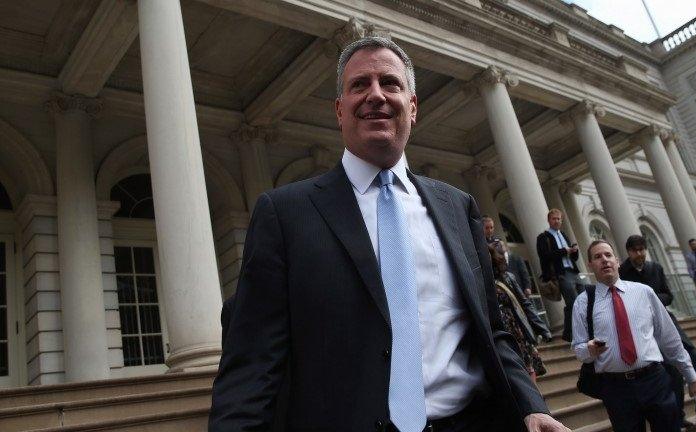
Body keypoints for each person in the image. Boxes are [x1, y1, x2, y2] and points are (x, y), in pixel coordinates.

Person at [208, 37, 568, 432]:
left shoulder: (457, 207)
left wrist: (531, 405)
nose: (375, 95)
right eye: (359, 85)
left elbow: (492, 329)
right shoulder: (285, 213)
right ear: (339, 111)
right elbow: (252, 361)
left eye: (390, 84)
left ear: (412, 108)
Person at [571, 240, 696, 432]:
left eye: (608, 255)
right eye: (598, 257)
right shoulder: (582, 303)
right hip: (616, 388)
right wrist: (589, 350)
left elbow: (670, 339)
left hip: (654, 380)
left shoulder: (644, 293)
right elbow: (579, 350)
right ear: (590, 265)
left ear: (617, 261)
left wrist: (691, 377)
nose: (604, 260)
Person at [619, 235, 696, 431]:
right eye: (635, 250)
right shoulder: (622, 272)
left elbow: (668, 295)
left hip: (667, 321)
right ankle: (677, 417)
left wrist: (651, 298)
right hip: (643, 328)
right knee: (670, 372)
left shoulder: (655, 268)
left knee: (693, 358)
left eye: (642, 249)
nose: (640, 253)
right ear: (628, 252)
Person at [488, 245, 547, 383]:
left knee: (528, 366)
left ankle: (534, 400)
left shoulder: (507, 277)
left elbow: (524, 303)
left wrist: (540, 327)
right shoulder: (479, 282)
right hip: (498, 332)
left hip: (516, 329)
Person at [536, 209, 580, 341]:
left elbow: (574, 258)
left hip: (573, 271)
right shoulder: (543, 237)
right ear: (549, 220)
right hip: (560, 274)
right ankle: (575, 334)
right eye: (554, 219)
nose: (557, 221)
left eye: (559, 219)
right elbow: (544, 256)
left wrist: (574, 251)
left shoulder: (564, 235)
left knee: (582, 300)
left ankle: (567, 333)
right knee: (573, 302)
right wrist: (562, 251)